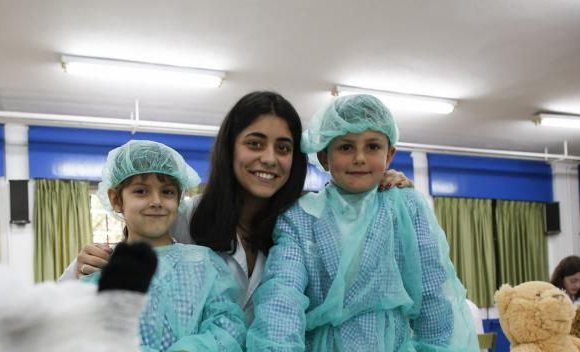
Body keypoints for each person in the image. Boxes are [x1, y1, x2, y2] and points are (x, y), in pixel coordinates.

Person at [65, 91, 411, 321]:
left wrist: (375, 189)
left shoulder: (306, 221)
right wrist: (84, 265)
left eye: (284, 147)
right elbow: (85, 290)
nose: (269, 159)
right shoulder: (183, 217)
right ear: (230, 149)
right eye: (255, 143)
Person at [247, 94, 479, 352]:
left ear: (390, 154)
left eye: (372, 146)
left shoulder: (406, 206)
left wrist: (440, 347)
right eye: (345, 147)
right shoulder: (300, 217)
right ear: (324, 157)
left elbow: (431, 277)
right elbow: (282, 294)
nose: (359, 158)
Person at [80, 140, 248, 352]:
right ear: (116, 199)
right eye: (141, 191)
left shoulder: (205, 264)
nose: (156, 201)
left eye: (168, 192)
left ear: (179, 198)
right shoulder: (99, 272)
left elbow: (228, 326)